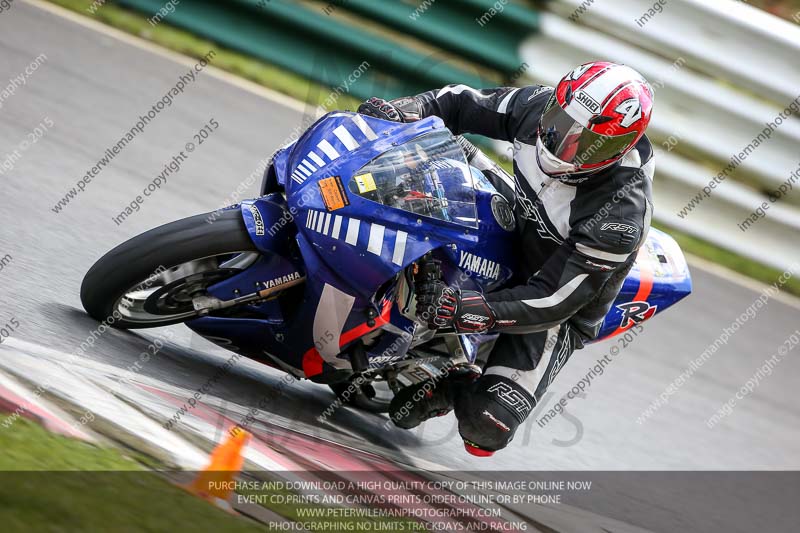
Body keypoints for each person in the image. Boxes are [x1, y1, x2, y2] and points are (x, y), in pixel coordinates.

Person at [357, 61, 655, 456]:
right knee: (424, 157)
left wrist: (473, 309)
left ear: (619, 149)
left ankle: (456, 381)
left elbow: (555, 299)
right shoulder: (535, 105)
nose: (562, 144)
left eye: (586, 143)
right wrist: (405, 110)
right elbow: (460, 104)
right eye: (559, 123)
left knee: (487, 429)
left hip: (553, 304)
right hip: (517, 215)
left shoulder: (620, 215)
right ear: (555, 102)